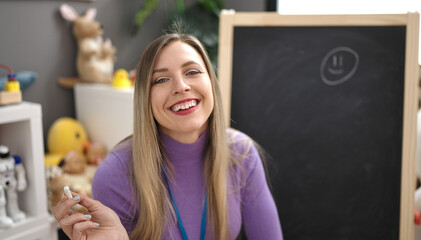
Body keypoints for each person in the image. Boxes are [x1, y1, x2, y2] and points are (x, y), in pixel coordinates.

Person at [53, 31, 283, 240]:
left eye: (192, 72)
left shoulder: (241, 153)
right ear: (145, 98)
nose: (181, 86)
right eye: (161, 79)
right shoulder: (115, 174)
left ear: (211, 83)